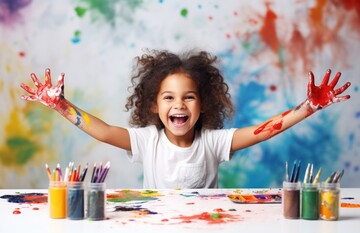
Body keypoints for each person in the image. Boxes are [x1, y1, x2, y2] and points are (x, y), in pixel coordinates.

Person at [20, 49, 351, 188]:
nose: (179, 105)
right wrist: (62, 106)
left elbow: (263, 132)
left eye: (189, 97)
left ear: (203, 104)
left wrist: (307, 107)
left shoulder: (213, 142)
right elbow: (105, 132)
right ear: (153, 105)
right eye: (169, 98)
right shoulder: (147, 141)